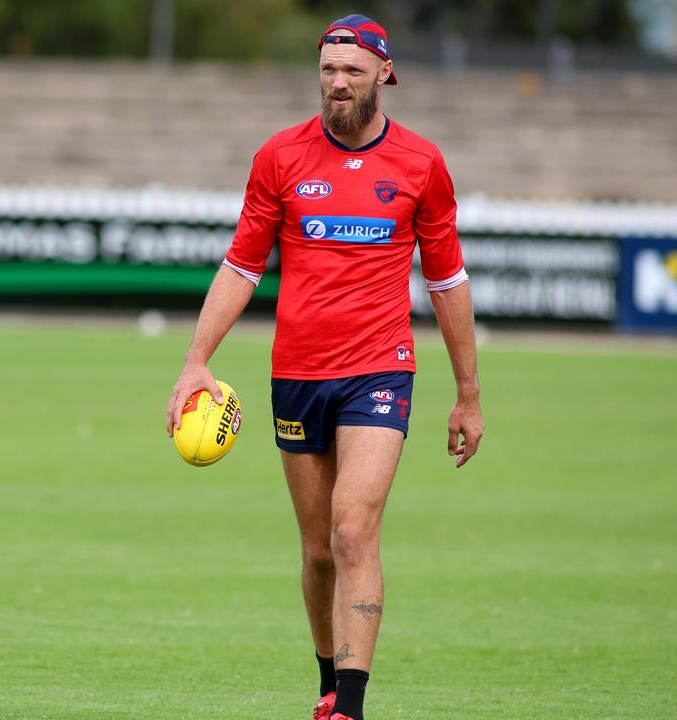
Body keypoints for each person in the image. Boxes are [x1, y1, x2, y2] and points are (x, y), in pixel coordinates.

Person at [164, 13, 485, 720]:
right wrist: (196, 360)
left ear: (383, 75)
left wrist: (468, 393)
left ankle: (351, 708)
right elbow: (242, 265)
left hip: (380, 369)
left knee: (352, 530)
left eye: (352, 71)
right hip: (298, 375)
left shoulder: (421, 165)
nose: (338, 83)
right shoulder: (279, 158)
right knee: (317, 553)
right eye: (328, 71)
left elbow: (447, 281)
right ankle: (327, 683)